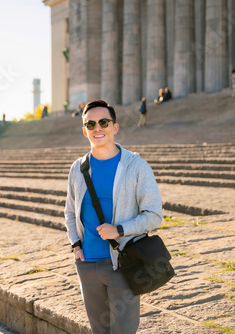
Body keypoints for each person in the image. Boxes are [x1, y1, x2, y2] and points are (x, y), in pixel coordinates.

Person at [65, 99, 163, 334]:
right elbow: (70, 212)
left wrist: (119, 230)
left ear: (114, 127)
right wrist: (75, 245)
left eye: (103, 122)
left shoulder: (136, 166)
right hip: (87, 264)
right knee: (99, 330)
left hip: (122, 263)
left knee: (123, 331)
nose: (97, 128)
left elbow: (154, 215)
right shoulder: (78, 168)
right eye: (90, 124)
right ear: (84, 130)